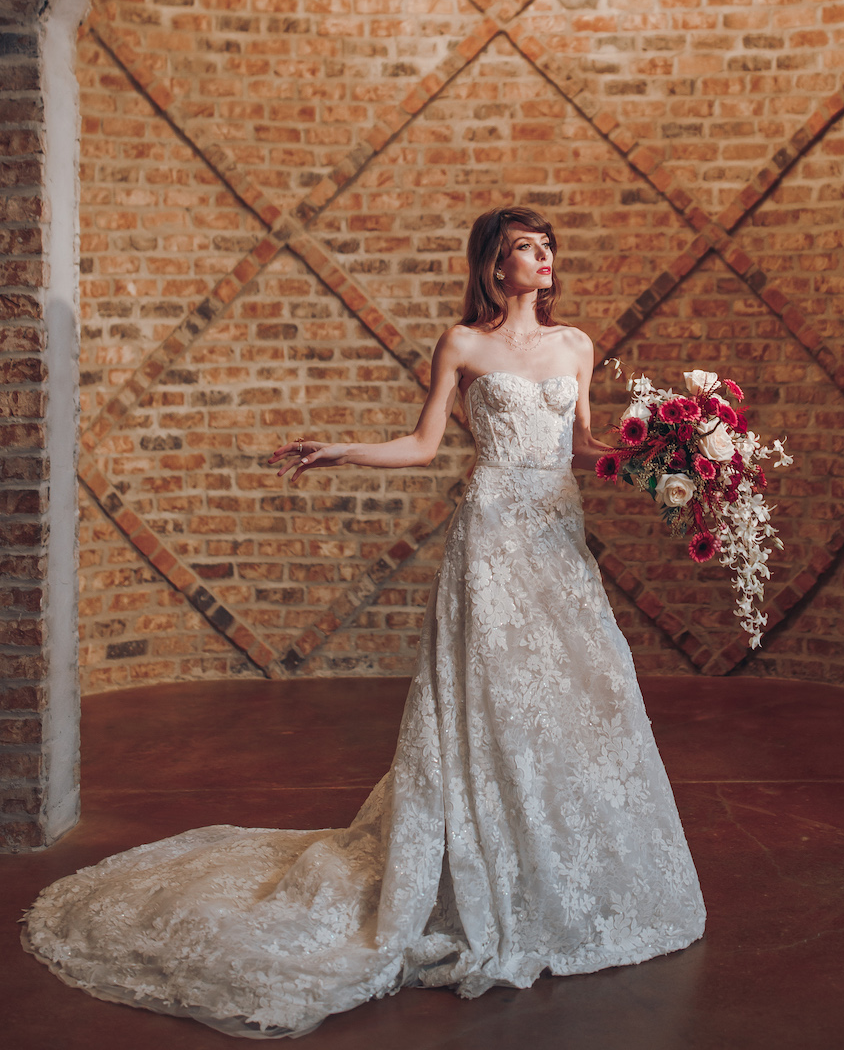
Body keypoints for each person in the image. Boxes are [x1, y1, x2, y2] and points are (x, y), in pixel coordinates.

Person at [21, 206, 706, 1039]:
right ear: (496, 264)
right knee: (491, 703)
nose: (545, 257)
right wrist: (339, 450)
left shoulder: (577, 346)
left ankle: (563, 873)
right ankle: (479, 872)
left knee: (580, 697)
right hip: (490, 539)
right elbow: (424, 445)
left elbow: (584, 448)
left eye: (550, 245)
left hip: (556, 536)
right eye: (527, 247)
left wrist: (671, 452)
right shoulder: (462, 343)